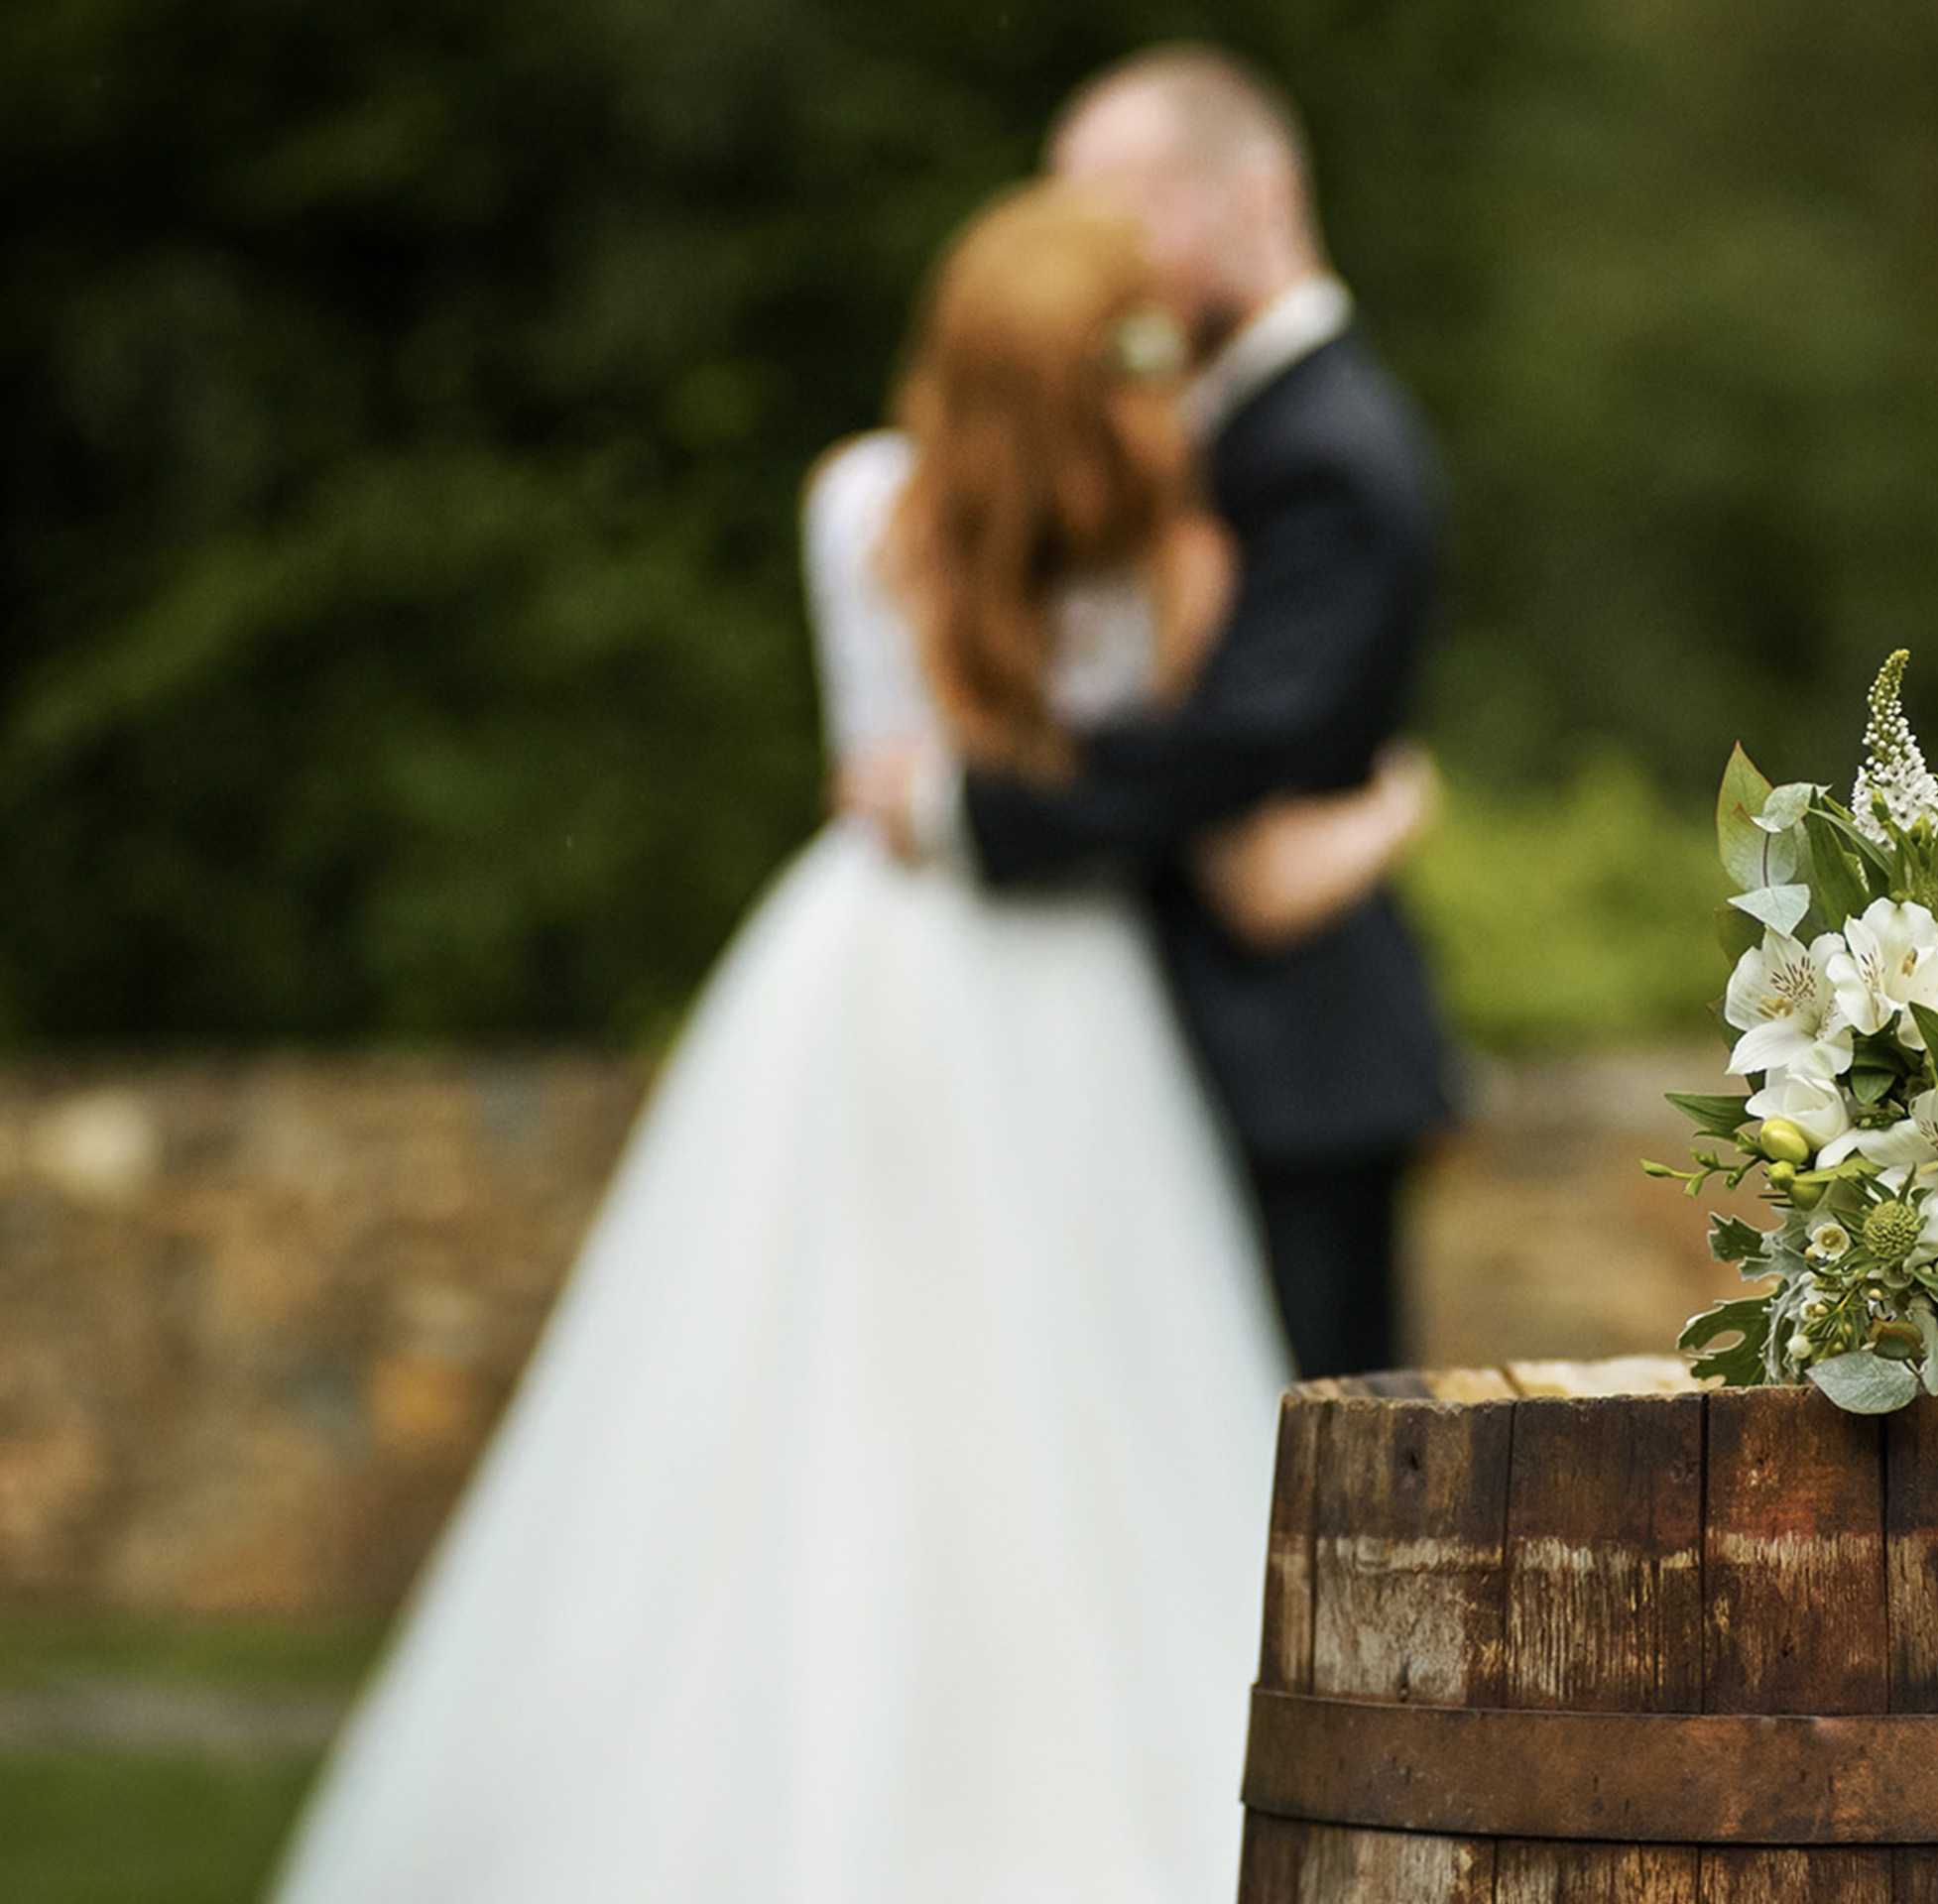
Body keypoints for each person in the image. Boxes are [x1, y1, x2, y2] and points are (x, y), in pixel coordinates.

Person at [264, 182, 1424, 1904]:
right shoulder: (1172, 551)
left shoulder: (861, 506)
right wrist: (1392, 806)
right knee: (1056, 1391)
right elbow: (1222, 847)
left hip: (863, 980)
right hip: (1072, 1005)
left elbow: (876, 784)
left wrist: (940, 800)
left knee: (809, 1369)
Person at [856, 45, 1457, 1381]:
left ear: (1258, 193)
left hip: (1289, 1047)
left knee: (1314, 1478)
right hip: (1154, 1032)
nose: (1091, 260)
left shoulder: (1330, 449)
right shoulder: (1197, 427)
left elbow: (1237, 745)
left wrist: (961, 803)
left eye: (1117, 209)